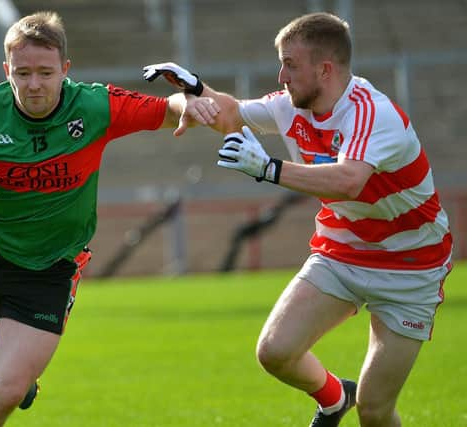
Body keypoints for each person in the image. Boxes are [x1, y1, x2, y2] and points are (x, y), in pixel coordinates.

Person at [143, 12, 453, 427]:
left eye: (290, 63)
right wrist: (196, 90)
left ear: (324, 69)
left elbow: (348, 181)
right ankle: (334, 397)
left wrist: (268, 169)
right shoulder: (292, 105)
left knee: (376, 412)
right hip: (343, 249)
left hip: (411, 264)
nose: (281, 74)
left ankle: (355, 403)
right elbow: (232, 114)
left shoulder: (373, 113)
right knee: (274, 351)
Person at [0, 11, 194, 427]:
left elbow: (168, 108)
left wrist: (190, 102)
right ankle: (15, 371)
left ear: (65, 70)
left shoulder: (93, 105)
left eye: (45, 72)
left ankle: (15, 376)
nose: (34, 84)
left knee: (4, 392)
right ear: (7, 71)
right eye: (23, 73)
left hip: (53, 266)